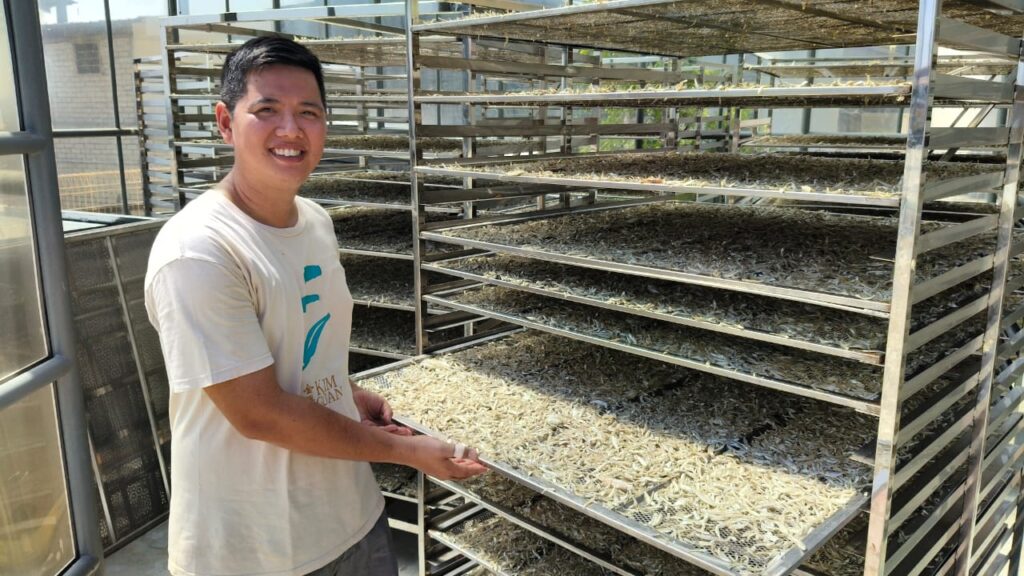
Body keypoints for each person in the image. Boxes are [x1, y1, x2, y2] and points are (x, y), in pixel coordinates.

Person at [144, 36, 487, 576]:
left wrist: (347, 394)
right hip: (255, 551)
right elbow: (257, 412)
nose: (290, 130)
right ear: (225, 123)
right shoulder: (200, 249)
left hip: (352, 519)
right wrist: (402, 452)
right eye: (266, 111)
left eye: (308, 112)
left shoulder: (315, 222)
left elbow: (297, 350)